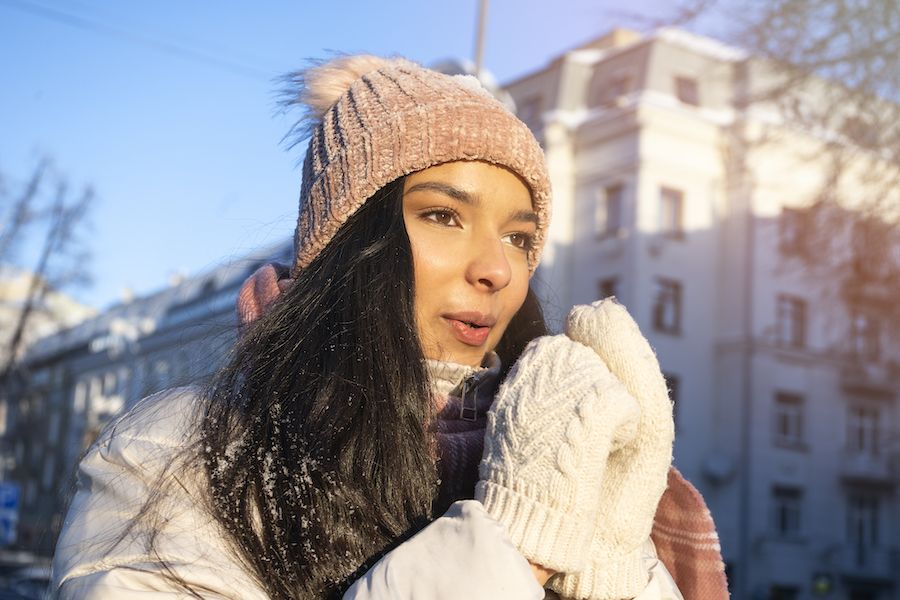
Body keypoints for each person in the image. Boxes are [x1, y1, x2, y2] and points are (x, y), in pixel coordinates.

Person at [51, 55, 728, 599]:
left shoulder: (557, 449)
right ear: (349, 241)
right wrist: (518, 547)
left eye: (520, 238)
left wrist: (612, 549)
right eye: (443, 216)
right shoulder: (181, 452)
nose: (496, 268)